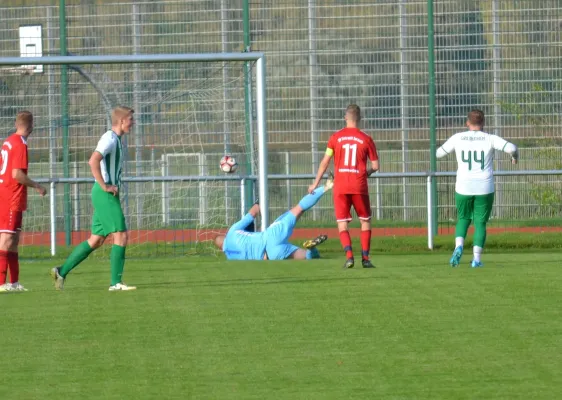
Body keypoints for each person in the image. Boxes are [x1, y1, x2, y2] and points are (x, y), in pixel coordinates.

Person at [50, 106, 136, 291]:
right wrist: (105, 185)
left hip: (106, 193)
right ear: (121, 121)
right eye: (130, 119)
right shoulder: (109, 138)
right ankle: (116, 283)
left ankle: (61, 271)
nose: (133, 123)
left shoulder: (118, 140)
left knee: (96, 240)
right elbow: (93, 160)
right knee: (120, 235)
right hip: (104, 193)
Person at [436, 109, 518, 268]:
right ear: (483, 123)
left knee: (463, 218)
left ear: (467, 123)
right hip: (484, 186)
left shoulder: (458, 138)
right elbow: (512, 148)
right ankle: (476, 260)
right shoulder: (490, 138)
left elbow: (438, 153)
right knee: (480, 223)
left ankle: (458, 246)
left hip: (463, 186)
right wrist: (515, 157)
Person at [309, 104, 379, 269]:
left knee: (342, 223)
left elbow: (325, 162)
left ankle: (349, 257)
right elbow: (375, 166)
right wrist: (365, 172)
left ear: (345, 118)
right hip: (359, 185)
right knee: (365, 221)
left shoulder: (335, 138)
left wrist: (315, 183)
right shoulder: (366, 139)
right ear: (359, 118)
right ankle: (365, 259)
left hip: (340, 186)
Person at [214, 177, 334, 261]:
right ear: (224, 236)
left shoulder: (230, 257)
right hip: (270, 237)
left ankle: (311, 248)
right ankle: (327, 186)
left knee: (307, 256)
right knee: (299, 209)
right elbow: (253, 213)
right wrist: (258, 202)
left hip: (271, 254)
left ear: (222, 250)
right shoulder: (231, 232)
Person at [0, 111, 47, 293]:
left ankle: (14, 282)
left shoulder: (8, 141)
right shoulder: (19, 144)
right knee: (6, 239)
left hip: (8, 195)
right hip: (12, 196)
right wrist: (37, 185)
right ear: (30, 125)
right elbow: (17, 174)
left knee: (13, 240)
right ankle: (2, 283)